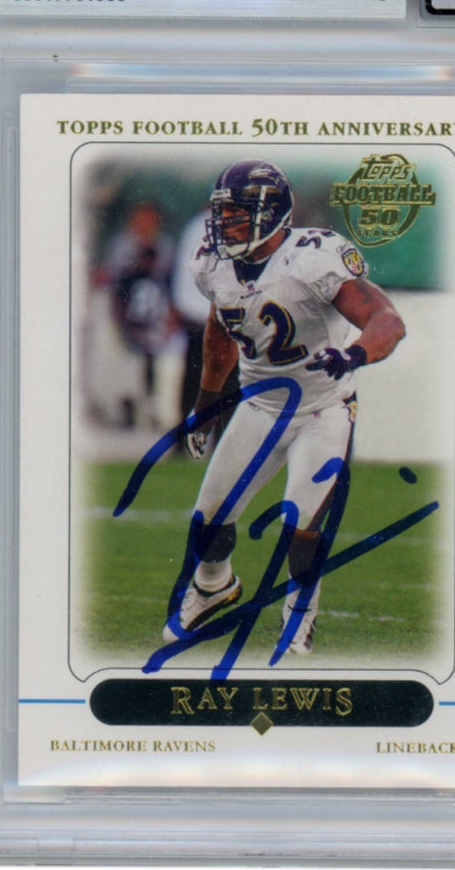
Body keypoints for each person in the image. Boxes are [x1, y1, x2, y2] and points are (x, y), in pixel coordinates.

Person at [162, 158, 406, 656]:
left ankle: (300, 612)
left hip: (323, 408)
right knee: (208, 522)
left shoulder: (314, 258)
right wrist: (206, 405)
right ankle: (214, 587)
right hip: (260, 406)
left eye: (236, 212)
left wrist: (355, 354)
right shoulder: (214, 264)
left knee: (301, 522)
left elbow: (386, 319)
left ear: (270, 213)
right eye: (221, 212)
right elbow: (221, 332)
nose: (223, 223)